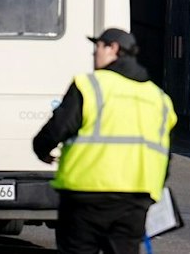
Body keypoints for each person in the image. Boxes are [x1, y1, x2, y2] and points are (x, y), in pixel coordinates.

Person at [32, 28, 176, 254]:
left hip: (86, 194)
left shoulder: (90, 85)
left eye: (97, 47)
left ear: (114, 49)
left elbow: (57, 129)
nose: (93, 54)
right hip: (136, 198)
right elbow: (164, 153)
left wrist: (41, 150)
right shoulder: (159, 98)